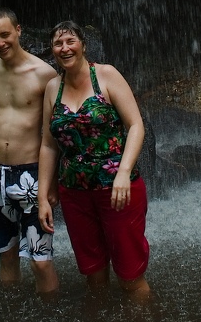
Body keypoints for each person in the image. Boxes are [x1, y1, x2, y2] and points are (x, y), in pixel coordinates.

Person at [38, 20, 150, 300]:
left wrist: (123, 172)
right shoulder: (53, 87)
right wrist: (42, 196)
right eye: (58, 43)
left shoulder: (106, 76)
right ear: (52, 50)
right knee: (94, 276)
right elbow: (48, 145)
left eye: (70, 41)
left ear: (83, 45)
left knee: (130, 277)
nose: (64, 48)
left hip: (117, 191)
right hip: (74, 193)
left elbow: (136, 125)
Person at [0, 7, 60, 293]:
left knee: (40, 260)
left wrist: (51, 185)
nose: (0, 43)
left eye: (5, 35)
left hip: (32, 176)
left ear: (19, 31)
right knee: (6, 254)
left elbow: (53, 137)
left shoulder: (44, 74)